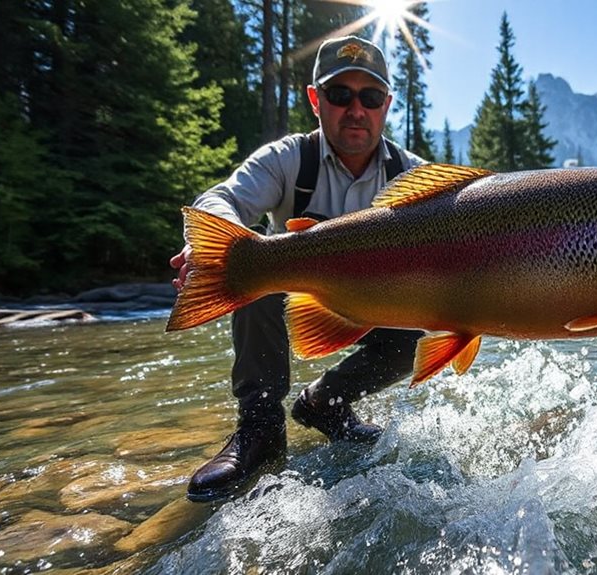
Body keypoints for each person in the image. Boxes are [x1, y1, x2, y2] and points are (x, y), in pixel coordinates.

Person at [169, 36, 426, 503]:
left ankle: (324, 403)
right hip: (291, 301)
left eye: (370, 97)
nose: (356, 110)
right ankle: (261, 426)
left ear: (386, 105)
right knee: (257, 267)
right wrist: (210, 247)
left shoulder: (412, 175)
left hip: (369, 305)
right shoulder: (288, 159)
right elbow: (220, 198)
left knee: (417, 333)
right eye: (340, 94)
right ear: (315, 100)